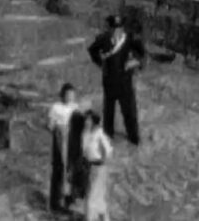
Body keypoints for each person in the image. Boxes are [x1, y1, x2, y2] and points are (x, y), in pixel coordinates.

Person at [87, 14, 145, 146]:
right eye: (114, 28)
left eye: (119, 28)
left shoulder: (130, 39)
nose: (116, 31)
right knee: (108, 111)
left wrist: (135, 62)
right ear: (110, 28)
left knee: (129, 111)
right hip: (109, 81)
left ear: (122, 28)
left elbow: (142, 54)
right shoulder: (104, 39)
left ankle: (133, 137)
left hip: (125, 82)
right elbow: (92, 50)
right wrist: (101, 63)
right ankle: (108, 136)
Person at [46, 83, 79, 212]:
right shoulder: (56, 107)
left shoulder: (75, 108)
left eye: (72, 95)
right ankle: (56, 202)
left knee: (72, 169)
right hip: (60, 140)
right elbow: (50, 125)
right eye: (68, 95)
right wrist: (58, 128)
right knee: (60, 169)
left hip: (73, 141)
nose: (70, 97)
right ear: (62, 95)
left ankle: (70, 199)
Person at [79, 110, 114, 221]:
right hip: (87, 166)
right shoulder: (85, 133)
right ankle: (102, 217)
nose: (86, 122)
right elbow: (84, 150)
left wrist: (101, 162)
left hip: (98, 167)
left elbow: (108, 151)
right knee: (94, 194)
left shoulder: (99, 133)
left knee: (92, 195)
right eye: (86, 119)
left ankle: (91, 218)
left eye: (88, 120)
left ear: (94, 121)